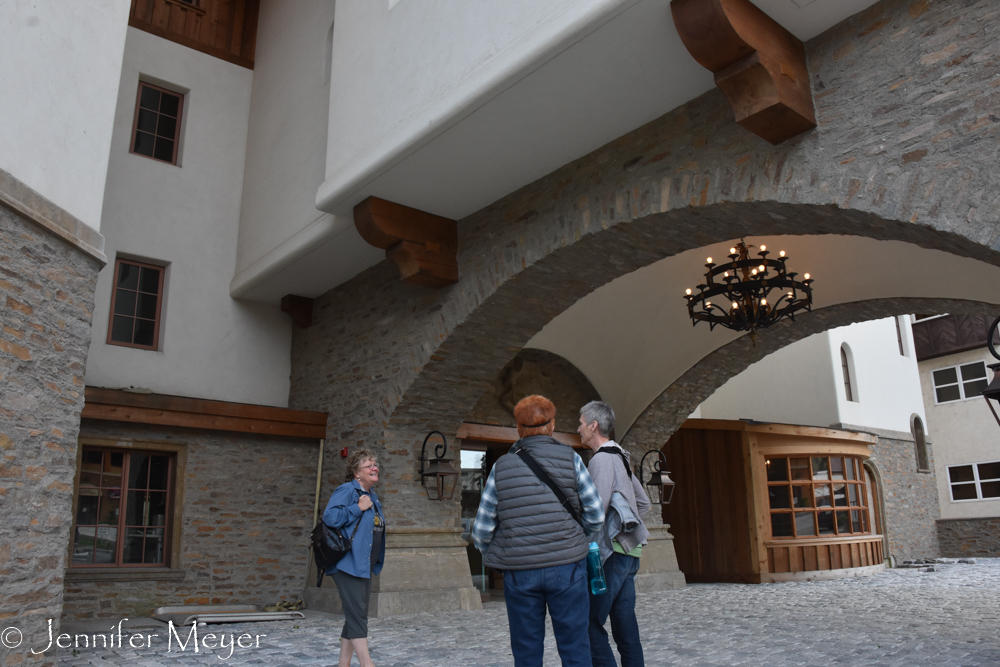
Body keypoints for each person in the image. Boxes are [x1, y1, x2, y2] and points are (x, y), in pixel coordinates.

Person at [472, 394, 605, 667]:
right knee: (575, 647)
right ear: (551, 425)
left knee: (526, 651)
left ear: (519, 429)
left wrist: (505, 554)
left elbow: (482, 531)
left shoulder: (501, 467)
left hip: (520, 571)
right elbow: (595, 514)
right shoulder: (571, 458)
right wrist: (575, 541)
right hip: (567, 566)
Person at [578, 400, 650, 667]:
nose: (578, 428)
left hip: (610, 556)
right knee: (625, 626)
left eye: (581, 423)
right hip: (631, 552)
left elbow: (595, 512)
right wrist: (625, 525)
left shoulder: (601, 460)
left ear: (593, 426)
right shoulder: (621, 457)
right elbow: (644, 504)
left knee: (589, 624)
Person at [322, 448, 386, 667]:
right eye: (369, 465)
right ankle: (367, 664)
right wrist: (357, 508)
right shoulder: (348, 490)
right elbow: (330, 517)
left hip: (362, 564)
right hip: (346, 563)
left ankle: (343, 664)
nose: (374, 468)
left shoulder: (373, 497)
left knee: (355, 614)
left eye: (375, 464)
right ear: (357, 473)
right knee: (358, 615)